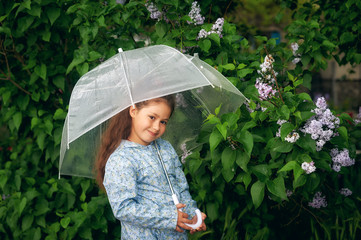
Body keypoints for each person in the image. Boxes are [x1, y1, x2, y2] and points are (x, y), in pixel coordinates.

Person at [95, 95, 207, 239]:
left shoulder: (165, 148)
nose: (156, 127)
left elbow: (180, 187)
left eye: (163, 122)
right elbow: (123, 208)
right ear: (133, 111)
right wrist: (170, 218)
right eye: (152, 117)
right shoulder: (121, 159)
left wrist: (192, 215)